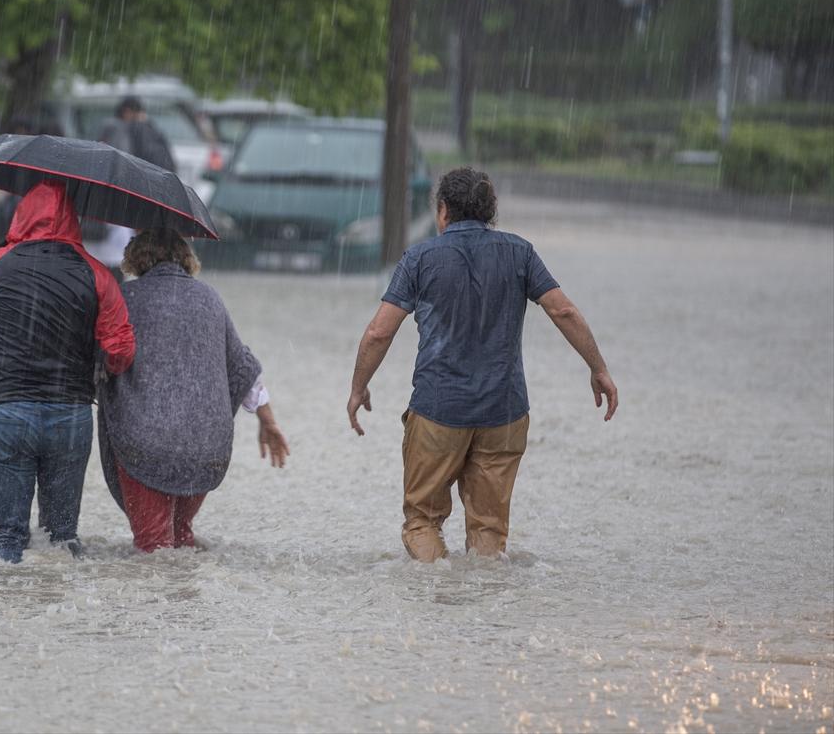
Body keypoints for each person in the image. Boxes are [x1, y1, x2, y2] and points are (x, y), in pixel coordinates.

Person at [346, 167, 618, 562]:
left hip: (438, 410)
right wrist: (598, 368)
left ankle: (433, 594)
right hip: (503, 412)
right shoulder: (520, 253)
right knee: (489, 531)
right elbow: (563, 311)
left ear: (443, 210)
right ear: (490, 210)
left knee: (423, 521)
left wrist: (359, 387)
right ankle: (485, 600)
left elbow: (378, 333)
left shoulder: (419, 258)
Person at [98, 228, 290, 552]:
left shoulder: (124, 298)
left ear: (134, 258)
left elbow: (102, 357)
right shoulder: (209, 299)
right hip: (204, 448)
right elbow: (242, 366)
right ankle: (195, 587)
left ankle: (152, 591)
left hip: (145, 443)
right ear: (187, 257)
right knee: (181, 539)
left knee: (153, 548)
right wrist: (268, 421)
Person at [0, 180, 135, 562]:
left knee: (5, 543)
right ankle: (60, 598)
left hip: (7, 411)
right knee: (61, 541)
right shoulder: (97, 274)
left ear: (22, 214)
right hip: (70, 415)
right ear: (73, 219)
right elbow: (121, 350)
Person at [88, 97, 177, 279]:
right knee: (119, 265)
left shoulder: (114, 130)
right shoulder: (149, 132)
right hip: (137, 206)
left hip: (112, 210)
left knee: (105, 266)